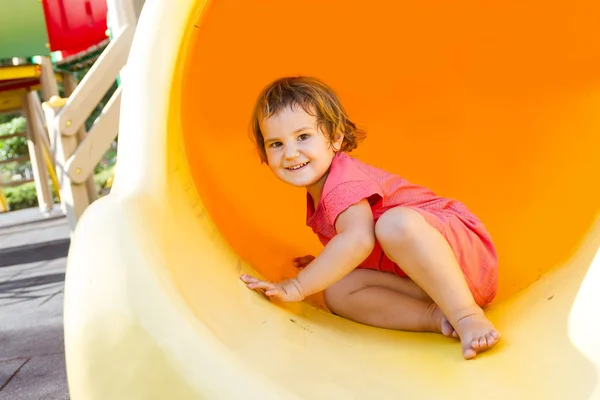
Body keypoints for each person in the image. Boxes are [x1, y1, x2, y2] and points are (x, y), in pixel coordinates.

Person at [239, 76, 500, 359]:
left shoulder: (341, 182)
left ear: (335, 138)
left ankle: (466, 316)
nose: (290, 153)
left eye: (303, 137)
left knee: (395, 224)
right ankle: (438, 316)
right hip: (431, 282)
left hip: (464, 259)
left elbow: (359, 239)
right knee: (337, 291)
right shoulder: (321, 191)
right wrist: (327, 266)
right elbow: (361, 244)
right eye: (276, 143)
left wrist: (298, 286)